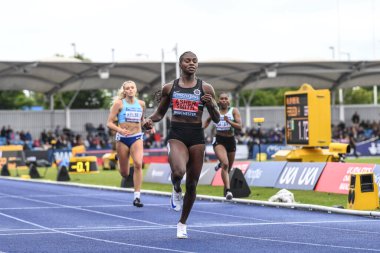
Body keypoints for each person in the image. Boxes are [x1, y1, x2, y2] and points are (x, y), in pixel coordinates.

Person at [143, 51, 220, 239]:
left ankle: (182, 223)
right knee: (178, 172)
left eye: (195, 61)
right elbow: (159, 113)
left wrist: (210, 105)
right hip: (176, 133)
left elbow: (217, 118)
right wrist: (149, 121)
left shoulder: (206, 88)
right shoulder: (170, 88)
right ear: (180, 64)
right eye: (188, 61)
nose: (192, 63)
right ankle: (176, 188)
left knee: (193, 185)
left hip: (196, 135)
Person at [106, 80, 147, 208]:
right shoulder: (119, 104)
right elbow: (109, 123)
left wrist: (149, 126)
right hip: (122, 139)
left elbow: (142, 121)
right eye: (127, 88)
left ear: (136, 90)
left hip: (137, 137)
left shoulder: (141, 104)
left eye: (132, 87)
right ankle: (119, 159)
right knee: (125, 173)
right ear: (124, 91)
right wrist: (120, 130)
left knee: (138, 164)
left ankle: (137, 197)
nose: (130, 90)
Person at [203, 92, 242, 200]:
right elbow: (206, 122)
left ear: (228, 101)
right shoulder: (215, 111)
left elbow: (240, 126)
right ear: (219, 101)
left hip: (231, 140)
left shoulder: (233, 111)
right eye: (222, 99)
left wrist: (229, 121)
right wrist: (200, 129)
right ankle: (229, 191)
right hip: (219, 140)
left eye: (226, 98)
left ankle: (225, 192)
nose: (224, 100)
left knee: (228, 168)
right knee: (225, 164)